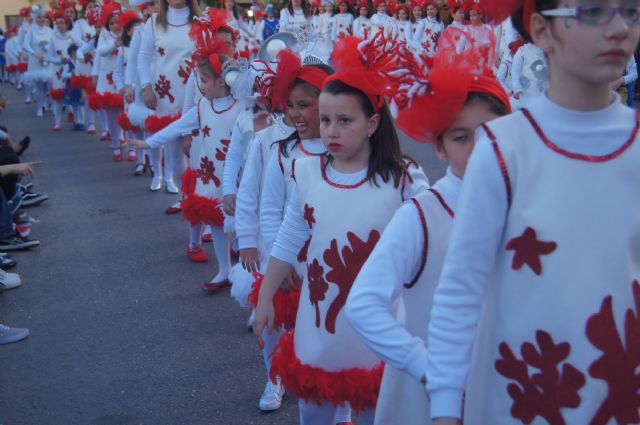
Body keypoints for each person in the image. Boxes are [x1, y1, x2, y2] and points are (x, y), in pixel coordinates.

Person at [426, 1, 640, 424]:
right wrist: (447, 406)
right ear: (542, 31)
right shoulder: (502, 149)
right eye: (593, 12)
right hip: (524, 392)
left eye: (631, 12)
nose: (619, 28)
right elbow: (460, 288)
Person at [253, 36, 428, 425]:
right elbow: (289, 236)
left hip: (379, 325)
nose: (331, 131)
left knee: (376, 414)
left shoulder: (403, 179)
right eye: (327, 119)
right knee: (314, 412)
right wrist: (265, 296)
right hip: (318, 324)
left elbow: (431, 247)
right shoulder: (306, 171)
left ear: (373, 123)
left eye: (344, 121)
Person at [346, 34, 511, 425]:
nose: (481, 148)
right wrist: (427, 367)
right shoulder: (421, 215)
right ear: (439, 148)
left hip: (510, 386)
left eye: (492, 132)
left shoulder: (526, 204)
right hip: (429, 399)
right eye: (461, 138)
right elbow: (363, 305)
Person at [133, 34, 241, 293]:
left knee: (242, 226)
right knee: (215, 222)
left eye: (203, 81)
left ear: (220, 81)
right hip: (210, 176)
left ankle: (250, 276)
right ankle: (224, 270)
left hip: (236, 178)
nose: (199, 86)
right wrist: (148, 144)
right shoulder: (203, 107)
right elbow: (176, 127)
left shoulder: (240, 109)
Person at [138, 0, 201, 195]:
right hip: (165, 92)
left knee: (196, 148)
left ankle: (198, 196)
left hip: (196, 91)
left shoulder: (201, 21)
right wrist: (146, 86)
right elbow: (143, 56)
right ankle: (179, 190)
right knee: (173, 146)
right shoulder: (154, 21)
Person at [88, 2, 125, 161]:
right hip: (108, 82)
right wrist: (95, 74)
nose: (115, 25)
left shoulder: (128, 33)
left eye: (118, 21)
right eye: (111, 23)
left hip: (125, 80)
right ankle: (116, 147)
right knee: (112, 116)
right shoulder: (103, 35)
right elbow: (100, 53)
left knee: (128, 116)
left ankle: (131, 148)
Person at [22, 5, 53, 118]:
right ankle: (40, 108)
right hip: (36, 62)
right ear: (35, 18)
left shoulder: (49, 30)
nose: (42, 19)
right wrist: (34, 53)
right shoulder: (31, 30)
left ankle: (54, 106)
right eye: (39, 17)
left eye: (43, 17)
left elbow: (53, 44)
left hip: (48, 61)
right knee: (40, 87)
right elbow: (25, 45)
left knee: (51, 85)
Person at [49, 11, 74, 132]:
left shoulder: (73, 36)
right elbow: (49, 57)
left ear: (67, 23)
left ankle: (74, 115)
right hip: (58, 70)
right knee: (58, 97)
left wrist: (70, 60)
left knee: (72, 93)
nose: (60, 25)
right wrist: (59, 60)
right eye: (57, 23)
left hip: (71, 68)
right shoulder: (53, 38)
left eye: (62, 22)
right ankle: (57, 122)